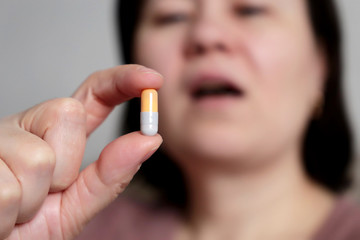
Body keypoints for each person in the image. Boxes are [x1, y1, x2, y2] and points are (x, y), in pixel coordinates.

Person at [1, 0, 360, 239]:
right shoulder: (76, 229)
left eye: (250, 9)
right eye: (172, 16)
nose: (205, 35)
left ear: (321, 66)